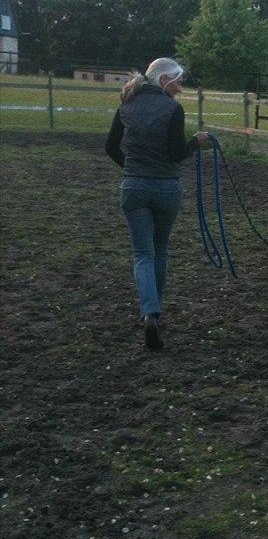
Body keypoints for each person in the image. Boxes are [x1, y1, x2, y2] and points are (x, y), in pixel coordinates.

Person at [105, 57, 209, 350]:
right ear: (164, 80)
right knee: (160, 249)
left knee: (142, 254)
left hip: (134, 187)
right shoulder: (173, 109)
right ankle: (156, 312)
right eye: (177, 80)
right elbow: (176, 153)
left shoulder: (126, 104)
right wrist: (197, 142)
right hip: (166, 189)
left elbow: (110, 146)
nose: (181, 86)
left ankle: (149, 312)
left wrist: (132, 169)